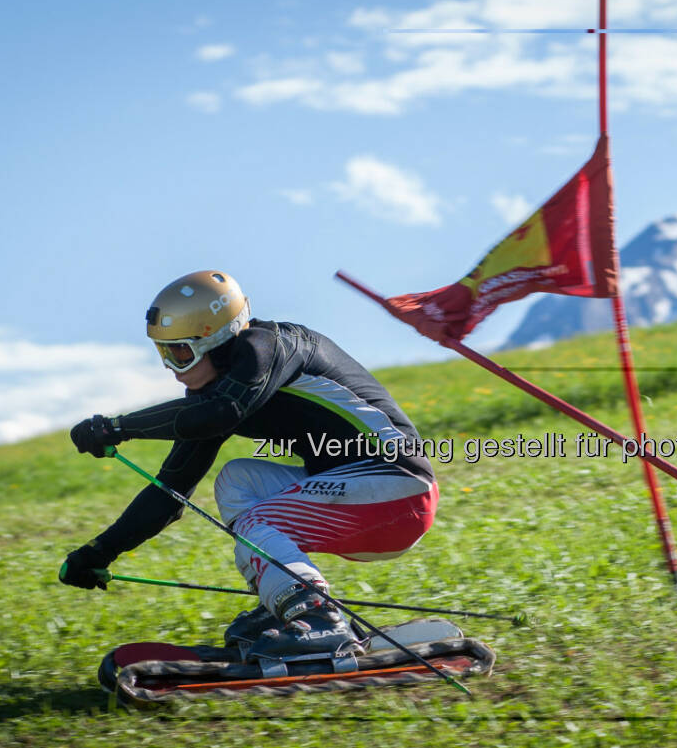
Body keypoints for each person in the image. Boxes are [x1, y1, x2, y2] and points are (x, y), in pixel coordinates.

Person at [60, 270, 438, 660]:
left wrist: (118, 427)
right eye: (163, 353)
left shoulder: (268, 348)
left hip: (401, 492)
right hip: (366, 494)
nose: (171, 367)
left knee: (258, 524)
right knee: (237, 479)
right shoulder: (221, 393)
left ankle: (317, 618)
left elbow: (220, 413)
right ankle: (287, 605)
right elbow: (170, 494)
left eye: (180, 352)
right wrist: (97, 553)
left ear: (215, 340)